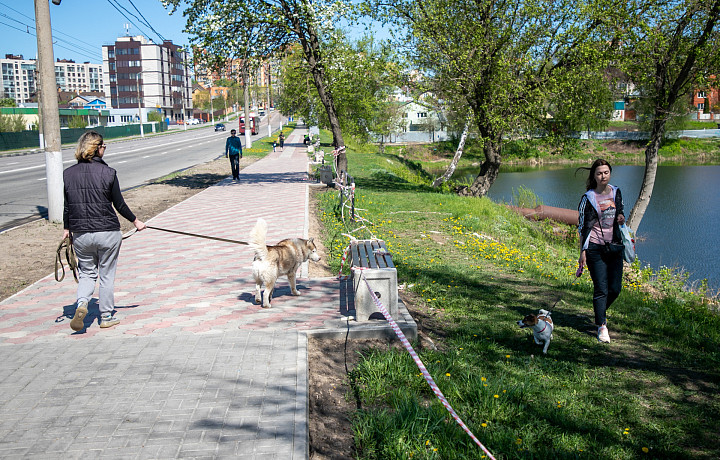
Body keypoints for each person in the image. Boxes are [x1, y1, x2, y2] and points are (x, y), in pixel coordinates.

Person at [63, 131, 146, 331]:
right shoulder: (109, 173)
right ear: (98, 148)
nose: (104, 149)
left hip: (81, 233)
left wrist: (66, 229)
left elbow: (67, 206)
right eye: (104, 146)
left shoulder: (68, 174)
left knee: (87, 274)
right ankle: (106, 316)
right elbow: (119, 204)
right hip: (107, 232)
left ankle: (82, 302)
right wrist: (136, 222)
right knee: (106, 275)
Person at [577, 159, 625, 343]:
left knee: (615, 289)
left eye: (606, 172)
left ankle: (599, 312)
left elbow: (620, 211)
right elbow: (582, 226)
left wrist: (620, 217)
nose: (603, 176)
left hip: (615, 246)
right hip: (595, 248)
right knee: (601, 288)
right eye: (599, 173)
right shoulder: (588, 198)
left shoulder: (616, 192)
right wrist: (582, 252)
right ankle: (602, 325)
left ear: (610, 173)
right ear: (594, 176)